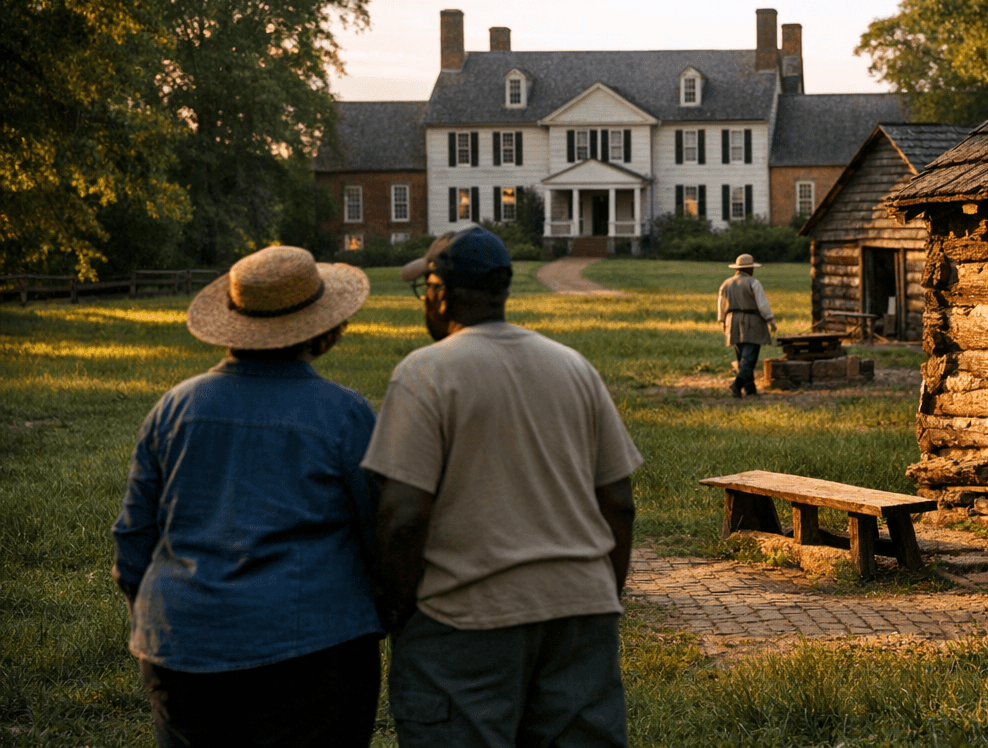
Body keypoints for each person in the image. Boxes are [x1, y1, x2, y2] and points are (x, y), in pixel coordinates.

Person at [365, 225, 642, 748]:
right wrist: (605, 592)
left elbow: (403, 514)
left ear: (440, 293)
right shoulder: (573, 367)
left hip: (465, 618)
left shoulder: (425, 373)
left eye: (423, 288)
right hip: (581, 612)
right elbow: (619, 502)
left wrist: (400, 612)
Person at [111, 246, 380, 748]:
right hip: (313, 650)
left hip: (180, 651)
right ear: (323, 327)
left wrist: (162, 621)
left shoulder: (174, 408)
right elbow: (381, 533)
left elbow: (133, 540)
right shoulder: (345, 415)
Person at [717, 253, 777, 398]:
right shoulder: (753, 283)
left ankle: (750, 390)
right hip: (752, 321)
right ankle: (737, 384)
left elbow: (721, 306)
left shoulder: (726, 284)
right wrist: (770, 321)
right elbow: (762, 305)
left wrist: (723, 322)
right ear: (749, 269)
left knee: (742, 358)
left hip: (732, 321)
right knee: (749, 359)